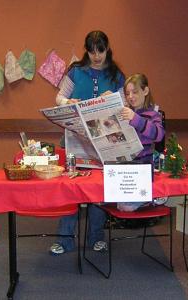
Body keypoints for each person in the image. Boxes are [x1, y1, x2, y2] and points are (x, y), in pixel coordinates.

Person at [50, 30, 125, 255]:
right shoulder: (75, 71)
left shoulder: (116, 74)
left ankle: (95, 238)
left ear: (107, 47)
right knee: (71, 188)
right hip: (75, 137)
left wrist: (114, 98)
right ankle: (65, 240)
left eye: (100, 50)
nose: (96, 56)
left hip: (104, 138)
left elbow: (124, 104)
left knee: (99, 191)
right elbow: (59, 98)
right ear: (86, 51)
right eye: (91, 51)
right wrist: (68, 101)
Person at [117, 73, 165, 212]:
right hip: (122, 169)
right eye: (127, 93)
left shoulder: (153, 114)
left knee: (125, 207)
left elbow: (158, 134)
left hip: (140, 171)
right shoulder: (124, 113)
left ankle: (146, 199)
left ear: (145, 91)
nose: (130, 96)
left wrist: (135, 119)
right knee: (97, 197)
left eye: (135, 92)